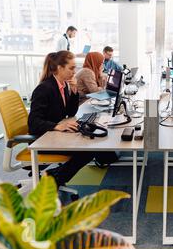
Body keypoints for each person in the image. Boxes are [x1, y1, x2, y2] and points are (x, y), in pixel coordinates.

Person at [28, 51, 118, 188]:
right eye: (71, 68)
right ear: (59, 68)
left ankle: (56, 174)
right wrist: (57, 126)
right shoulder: (44, 88)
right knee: (87, 149)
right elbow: (33, 123)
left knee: (91, 140)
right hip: (44, 138)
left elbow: (70, 112)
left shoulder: (63, 85)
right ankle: (55, 178)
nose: (74, 71)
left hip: (55, 134)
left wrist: (74, 91)